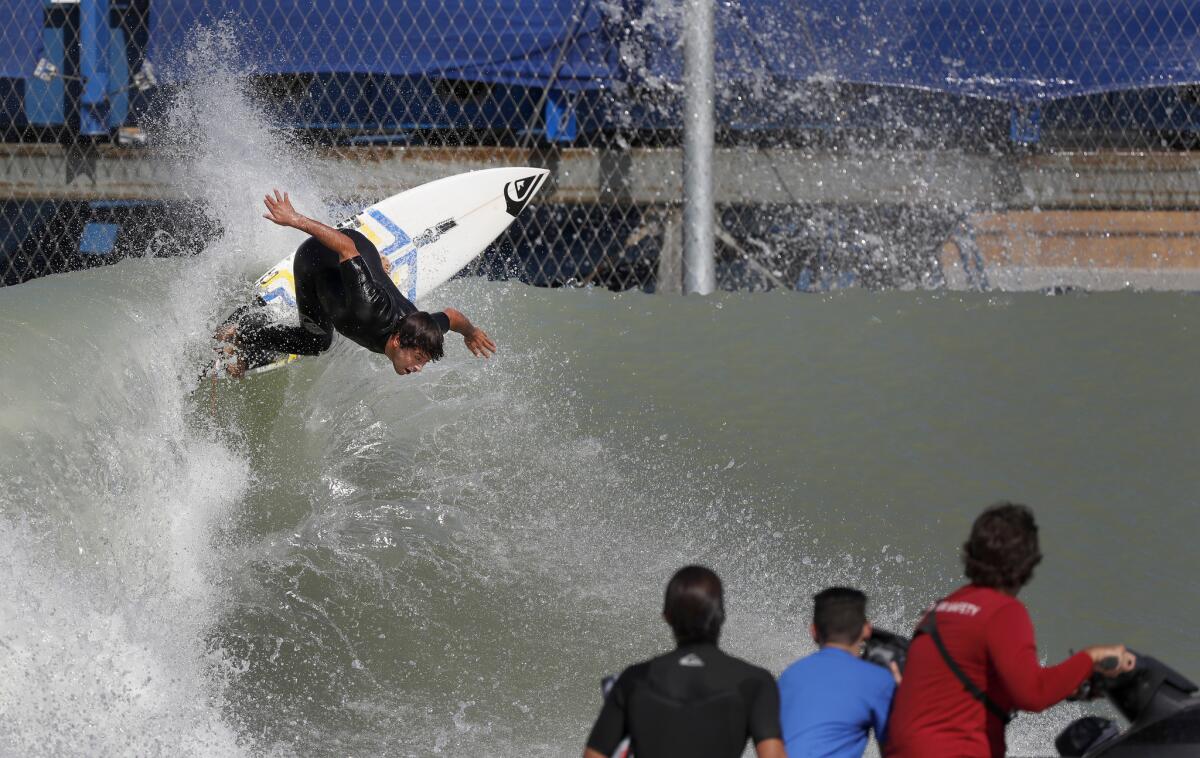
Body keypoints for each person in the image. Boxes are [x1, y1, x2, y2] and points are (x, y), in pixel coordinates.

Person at [883, 502, 1136, 758]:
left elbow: (966, 692)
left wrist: (1071, 686)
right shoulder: (1003, 612)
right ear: (1028, 562)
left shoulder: (939, 610)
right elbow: (1033, 695)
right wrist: (1090, 658)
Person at [215, 190, 496, 377]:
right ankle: (242, 333)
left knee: (369, 276)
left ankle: (379, 266)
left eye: (421, 361)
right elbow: (347, 248)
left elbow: (452, 317)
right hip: (318, 259)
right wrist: (294, 219)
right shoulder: (368, 309)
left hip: (366, 253)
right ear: (398, 341)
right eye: (418, 358)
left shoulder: (422, 328)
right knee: (317, 342)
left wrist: (470, 333)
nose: (418, 367)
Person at [584, 565, 786, 758]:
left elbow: (593, 755)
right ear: (721, 616)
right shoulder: (755, 681)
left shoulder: (633, 679)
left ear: (667, 616)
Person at [777, 587, 899, 758]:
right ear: (867, 629)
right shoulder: (879, 679)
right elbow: (896, 749)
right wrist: (903, 693)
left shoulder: (789, 675)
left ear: (813, 631)